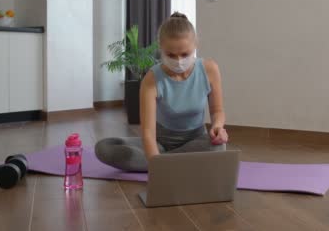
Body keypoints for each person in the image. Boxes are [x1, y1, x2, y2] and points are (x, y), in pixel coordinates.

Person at [95, 12, 229, 172]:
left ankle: (166, 161)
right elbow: (148, 133)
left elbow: (217, 111)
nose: (179, 60)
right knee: (104, 148)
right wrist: (156, 162)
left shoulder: (209, 69)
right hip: (159, 141)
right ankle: (179, 162)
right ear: (161, 49)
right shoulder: (151, 79)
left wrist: (217, 127)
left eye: (185, 54)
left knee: (218, 148)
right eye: (171, 55)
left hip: (196, 140)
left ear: (195, 45)